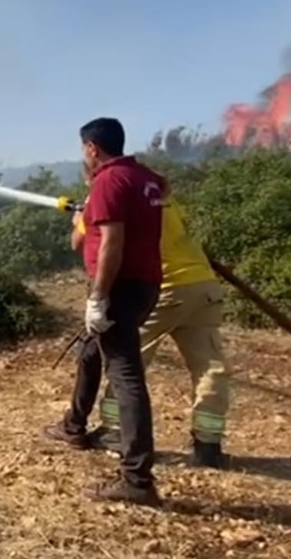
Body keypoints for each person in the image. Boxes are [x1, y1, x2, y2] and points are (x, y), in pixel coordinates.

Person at [43, 117, 165, 506]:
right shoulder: (143, 177)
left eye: (84, 150)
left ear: (92, 148)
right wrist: (90, 203)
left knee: (126, 375)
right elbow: (152, 195)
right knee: (92, 352)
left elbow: (111, 241)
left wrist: (98, 298)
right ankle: (73, 425)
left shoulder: (110, 181)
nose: (84, 156)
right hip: (144, 285)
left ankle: (137, 479)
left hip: (119, 288)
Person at [72, 188, 231, 468]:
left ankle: (113, 431)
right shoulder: (164, 197)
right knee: (209, 366)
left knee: (126, 362)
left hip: (164, 288)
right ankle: (208, 445)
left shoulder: (109, 197)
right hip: (202, 285)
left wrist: (79, 219)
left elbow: (81, 241)